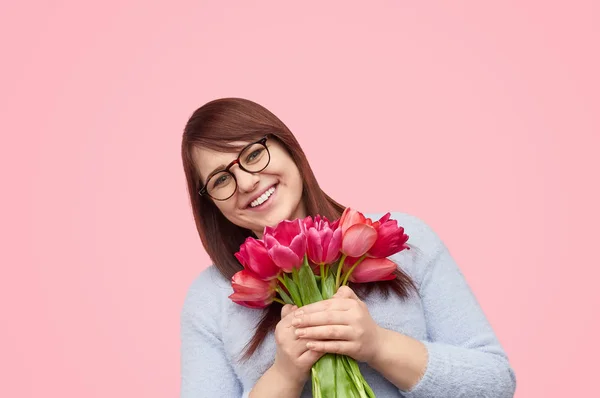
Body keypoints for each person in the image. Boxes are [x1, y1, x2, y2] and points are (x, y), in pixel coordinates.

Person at [179, 98, 516, 397]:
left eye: (254, 154)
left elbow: (496, 383)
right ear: (210, 203)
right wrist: (283, 376)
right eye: (221, 179)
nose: (247, 182)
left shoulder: (403, 239)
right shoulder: (212, 297)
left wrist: (379, 346)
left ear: (287, 146)